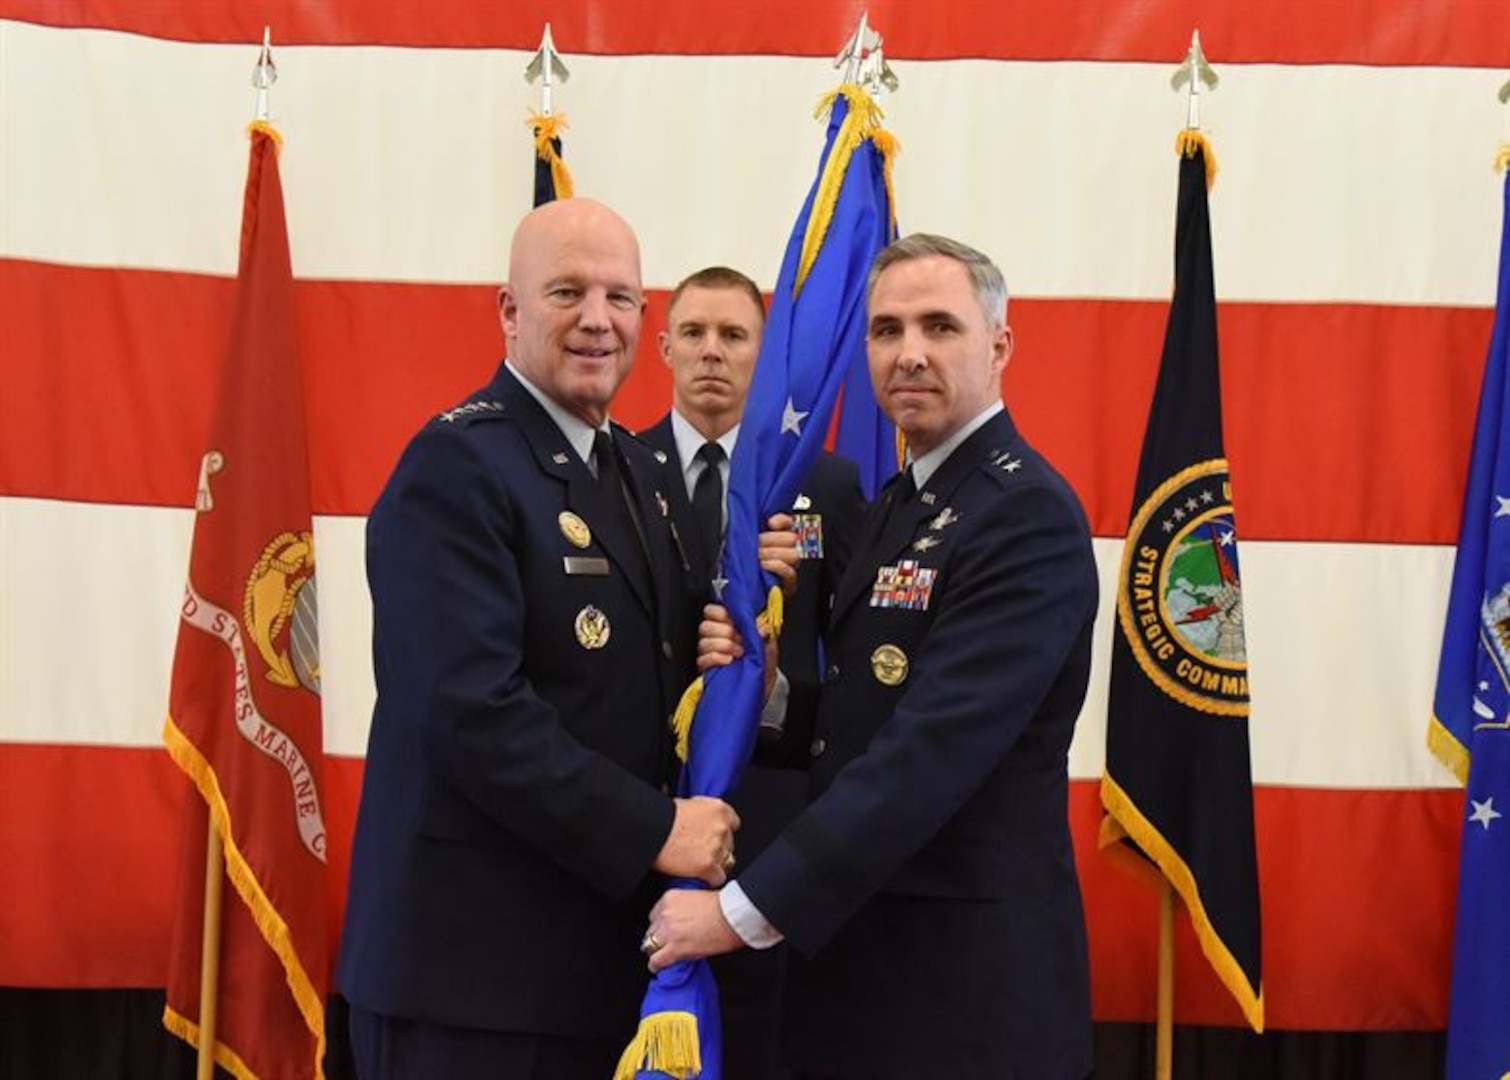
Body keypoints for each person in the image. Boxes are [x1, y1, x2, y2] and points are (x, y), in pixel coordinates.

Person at [338, 198, 795, 1078]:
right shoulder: (456, 468)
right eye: (566, 292)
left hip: (592, 966)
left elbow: (656, 688)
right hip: (471, 984)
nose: (597, 320)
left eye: (620, 298)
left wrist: (744, 668)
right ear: (509, 313)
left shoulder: (630, 470)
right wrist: (656, 826)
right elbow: (469, 712)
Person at [645, 234, 1098, 1079]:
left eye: (940, 327)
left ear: (999, 346)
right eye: (887, 331)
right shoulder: (901, 501)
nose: (910, 354)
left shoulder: (1023, 514)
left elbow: (928, 754)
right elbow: (861, 713)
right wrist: (768, 690)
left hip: (964, 995)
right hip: (867, 972)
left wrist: (740, 912)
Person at [638, 266, 866, 1079]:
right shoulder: (620, 472)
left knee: (766, 1045)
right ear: (661, 347)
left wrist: (772, 665)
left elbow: (854, 672)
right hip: (645, 816)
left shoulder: (824, 485)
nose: (711, 354)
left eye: (734, 336)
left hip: (771, 819)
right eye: (693, 334)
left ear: (763, 357)